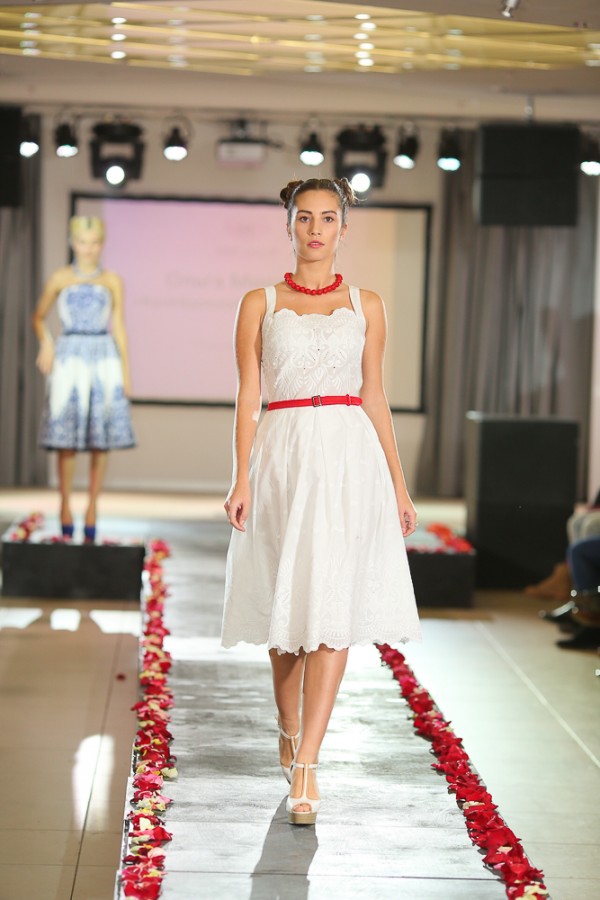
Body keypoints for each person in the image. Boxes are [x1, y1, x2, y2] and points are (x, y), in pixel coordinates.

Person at [221, 178, 421, 826]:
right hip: (282, 457)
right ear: (288, 224)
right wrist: (241, 477)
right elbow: (248, 396)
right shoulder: (260, 302)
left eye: (327, 218)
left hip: (347, 461)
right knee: (288, 605)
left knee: (332, 607)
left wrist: (398, 485)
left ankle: (308, 761)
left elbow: (374, 396)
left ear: (343, 227)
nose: (315, 229)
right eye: (304, 217)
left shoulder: (367, 305)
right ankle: (288, 725)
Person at [32, 215, 135, 541]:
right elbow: (38, 317)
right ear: (72, 243)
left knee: (99, 440)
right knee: (66, 438)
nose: (88, 248)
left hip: (103, 357)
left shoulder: (112, 280)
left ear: (101, 244)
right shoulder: (60, 278)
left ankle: (92, 507)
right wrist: (47, 342)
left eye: (94, 243)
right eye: (82, 242)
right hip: (70, 357)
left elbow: (119, 326)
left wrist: (126, 372)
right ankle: (64, 505)